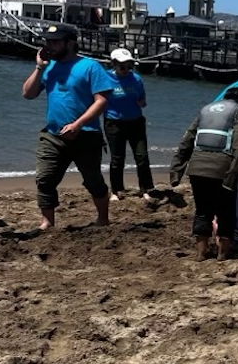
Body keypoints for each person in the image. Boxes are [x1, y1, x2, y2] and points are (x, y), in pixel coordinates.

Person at [22, 23, 113, 230]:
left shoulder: (90, 66)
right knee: (44, 178)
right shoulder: (49, 67)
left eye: (54, 42)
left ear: (70, 43)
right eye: (47, 41)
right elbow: (28, 94)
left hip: (86, 134)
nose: (49, 46)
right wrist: (39, 67)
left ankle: (103, 218)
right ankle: (47, 222)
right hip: (53, 134)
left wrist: (78, 124)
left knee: (93, 181)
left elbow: (101, 101)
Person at [170, 87, 238, 261]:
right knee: (226, 211)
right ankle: (223, 254)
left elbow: (187, 140)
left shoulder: (206, 110)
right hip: (222, 169)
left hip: (197, 168)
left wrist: (177, 169)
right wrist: (232, 174)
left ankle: (202, 253)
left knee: (202, 210)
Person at [104, 48, 154, 201]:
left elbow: (142, 99)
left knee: (142, 156)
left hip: (136, 122)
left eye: (129, 66)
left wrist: (142, 102)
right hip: (114, 123)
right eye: (122, 66)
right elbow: (97, 99)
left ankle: (145, 189)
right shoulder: (105, 78)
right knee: (117, 158)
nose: (126, 69)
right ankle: (116, 190)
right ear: (113, 64)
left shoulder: (136, 79)